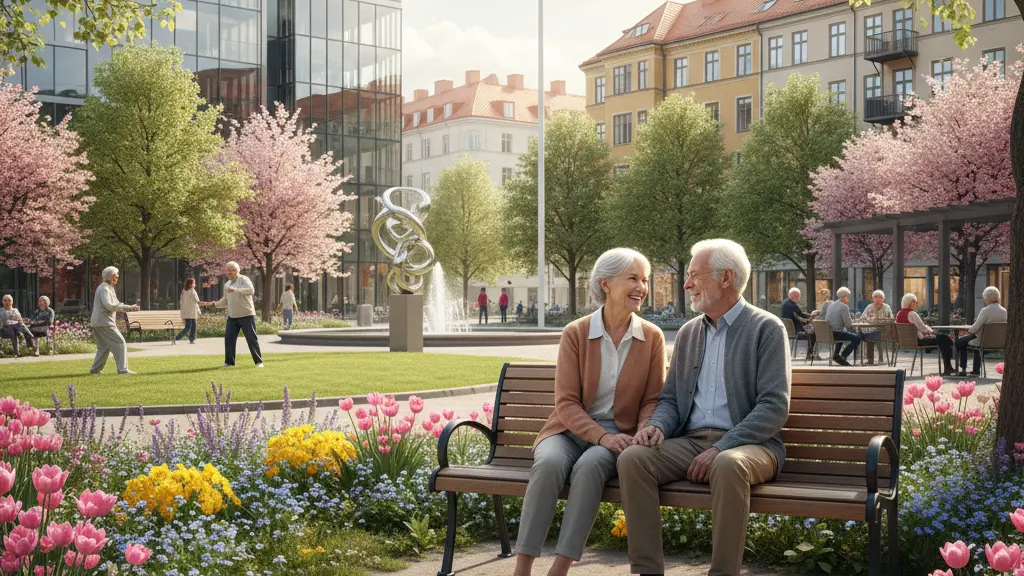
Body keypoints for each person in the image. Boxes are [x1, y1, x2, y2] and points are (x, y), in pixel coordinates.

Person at [617, 239, 790, 576]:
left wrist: (724, 446)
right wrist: (659, 426)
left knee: (727, 465)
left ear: (726, 278)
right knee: (633, 458)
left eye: (695, 275)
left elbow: (774, 407)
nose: (687, 283)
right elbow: (670, 399)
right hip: (693, 442)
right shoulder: (688, 333)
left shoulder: (767, 328)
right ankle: (647, 569)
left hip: (751, 446)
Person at [514, 248, 666, 576]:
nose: (642, 287)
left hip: (619, 435)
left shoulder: (652, 337)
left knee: (589, 468)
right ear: (606, 284)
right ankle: (522, 567)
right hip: (567, 430)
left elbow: (652, 400)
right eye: (633, 279)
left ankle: (560, 568)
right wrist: (601, 436)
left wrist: (640, 430)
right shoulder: (576, 333)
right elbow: (566, 402)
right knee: (550, 461)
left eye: (645, 280)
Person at [202, 261, 264, 368]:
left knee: (251, 339)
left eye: (231, 270)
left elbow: (251, 290)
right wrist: (213, 304)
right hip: (232, 316)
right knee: (229, 339)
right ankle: (229, 362)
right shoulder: (227, 284)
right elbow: (225, 300)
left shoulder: (243, 279)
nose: (228, 273)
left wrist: (236, 290)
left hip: (246, 314)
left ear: (236, 271)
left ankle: (259, 362)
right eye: (227, 271)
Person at [90, 267, 139, 375]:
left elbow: (115, 303)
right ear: (109, 277)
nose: (117, 278)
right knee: (120, 342)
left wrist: (129, 307)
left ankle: (95, 370)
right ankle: (122, 369)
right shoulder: (105, 289)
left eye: (117, 276)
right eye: (115, 276)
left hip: (98, 322)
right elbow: (109, 305)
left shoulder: (107, 288)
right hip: (104, 322)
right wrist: (129, 307)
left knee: (103, 347)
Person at [896, 293, 955, 375]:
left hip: (908, 341)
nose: (914, 304)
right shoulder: (912, 314)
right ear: (907, 302)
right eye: (912, 302)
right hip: (919, 341)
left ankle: (949, 368)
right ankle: (948, 368)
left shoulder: (899, 314)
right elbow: (923, 328)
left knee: (943, 338)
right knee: (944, 339)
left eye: (915, 302)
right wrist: (931, 331)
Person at [955, 286, 1007, 377]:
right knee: (976, 344)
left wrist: (969, 329)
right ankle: (975, 370)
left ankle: (963, 369)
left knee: (960, 342)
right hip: (999, 341)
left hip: (982, 340)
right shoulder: (1004, 311)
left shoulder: (985, 310)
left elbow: (974, 329)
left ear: (987, 298)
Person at [825, 287, 861, 366]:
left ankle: (836, 355)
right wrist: (855, 323)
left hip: (829, 332)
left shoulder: (831, 305)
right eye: (848, 296)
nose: (848, 298)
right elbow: (848, 325)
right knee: (857, 338)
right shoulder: (844, 307)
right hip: (836, 333)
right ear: (845, 296)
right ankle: (843, 356)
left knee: (843, 331)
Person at [780, 287, 818, 361]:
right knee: (814, 334)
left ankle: (810, 354)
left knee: (811, 330)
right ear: (795, 296)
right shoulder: (793, 305)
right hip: (796, 330)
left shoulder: (785, 303)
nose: (799, 298)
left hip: (788, 330)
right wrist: (812, 316)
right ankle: (810, 354)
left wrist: (809, 316)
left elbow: (799, 314)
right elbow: (801, 316)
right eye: (799, 296)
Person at [860, 290, 894, 365]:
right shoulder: (869, 307)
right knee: (868, 336)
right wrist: (869, 320)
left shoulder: (887, 307)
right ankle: (871, 359)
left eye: (880, 297)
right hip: (871, 330)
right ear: (873, 298)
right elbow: (862, 318)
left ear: (883, 299)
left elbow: (892, 319)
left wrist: (885, 320)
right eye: (875, 297)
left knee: (870, 337)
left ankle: (871, 359)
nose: (878, 299)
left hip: (883, 331)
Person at [175, 278, 201, 344]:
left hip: (186, 313)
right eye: (194, 283)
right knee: (190, 327)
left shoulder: (183, 291)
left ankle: (191, 339)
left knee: (190, 327)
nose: (195, 284)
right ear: (190, 284)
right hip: (191, 313)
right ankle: (177, 338)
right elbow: (197, 301)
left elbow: (182, 302)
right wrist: (202, 306)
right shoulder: (192, 291)